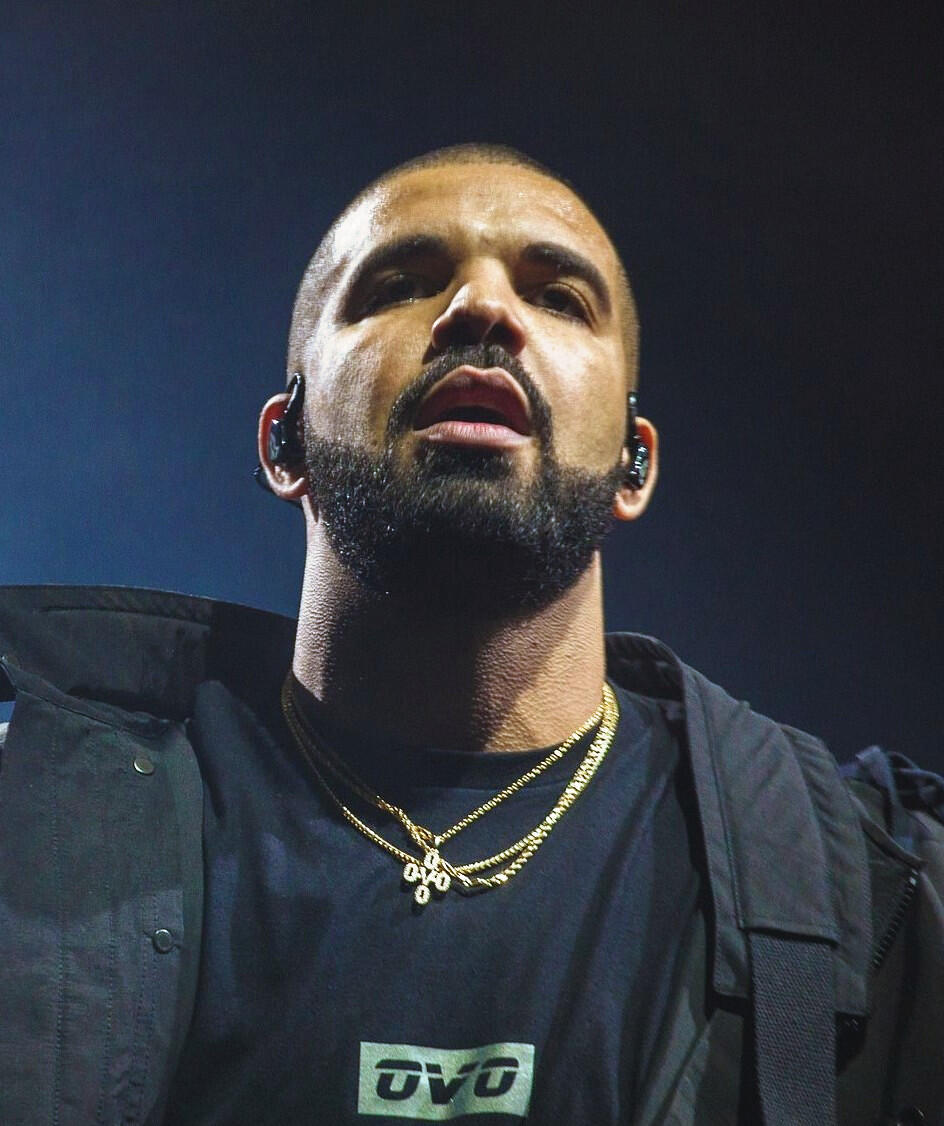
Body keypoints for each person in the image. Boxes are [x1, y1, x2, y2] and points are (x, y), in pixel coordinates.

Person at [1, 145, 941, 1126]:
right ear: (283, 441)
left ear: (633, 464)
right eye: (401, 284)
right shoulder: (25, 832)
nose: (481, 310)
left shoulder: (877, 887)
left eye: (559, 297)